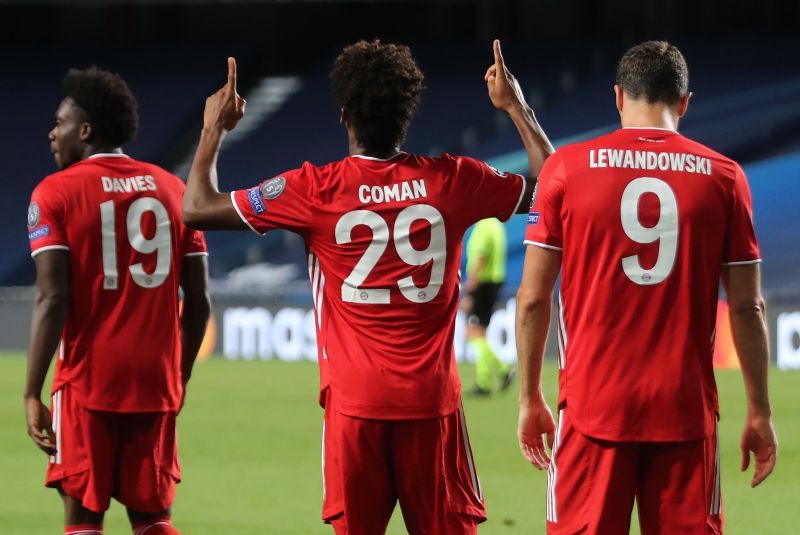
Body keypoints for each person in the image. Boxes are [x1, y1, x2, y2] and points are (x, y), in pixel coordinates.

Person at [182, 40, 553, 534]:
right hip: (432, 407)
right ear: (407, 114)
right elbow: (556, 187)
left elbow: (196, 207)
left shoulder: (313, 188)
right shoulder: (455, 181)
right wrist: (516, 107)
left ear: (343, 116)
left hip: (354, 411)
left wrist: (213, 129)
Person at [515, 41, 778, 534]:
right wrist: (759, 410)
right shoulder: (725, 178)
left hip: (593, 410)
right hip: (684, 415)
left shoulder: (565, 168)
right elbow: (748, 307)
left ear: (618, 97)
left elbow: (532, 299)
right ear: (684, 102)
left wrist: (530, 397)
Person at [24, 66, 211, 535]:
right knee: (152, 517)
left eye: (60, 122)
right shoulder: (174, 190)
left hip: (89, 380)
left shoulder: (55, 193)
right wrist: (179, 374)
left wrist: (31, 391)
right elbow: (201, 301)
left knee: (84, 516)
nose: (52, 133)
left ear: (84, 131)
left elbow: (53, 296)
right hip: (154, 382)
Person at [463, 216, 514, 395]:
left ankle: (485, 381)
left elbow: (480, 258)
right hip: (494, 282)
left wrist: (470, 289)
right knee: (479, 332)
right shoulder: (496, 226)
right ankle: (502, 371)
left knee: (474, 332)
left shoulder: (483, 227)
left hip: (483, 284)